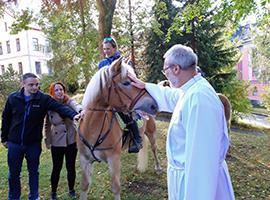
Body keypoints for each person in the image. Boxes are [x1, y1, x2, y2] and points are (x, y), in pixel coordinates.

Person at [129, 44, 235, 200]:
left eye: (165, 71)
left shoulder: (200, 99)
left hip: (197, 186)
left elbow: (202, 164)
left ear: (176, 69)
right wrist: (145, 87)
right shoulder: (191, 91)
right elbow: (172, 97)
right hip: (185, 178)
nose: (165, 75)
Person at [1, 73, 80, 200]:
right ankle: (14, 197)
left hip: (33, 144)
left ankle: (34, 196)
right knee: (14, 174)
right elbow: (6, 118)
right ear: (23, 84)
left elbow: (60, 107)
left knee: (33, 172)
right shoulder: (13, 98)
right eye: (31, 85)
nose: (35, 87)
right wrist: (4, 138)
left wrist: (73, 115)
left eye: (37, 84)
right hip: (14, 143)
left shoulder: (43, 99)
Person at [98, 36, 142, 153]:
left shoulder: (123, 61)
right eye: (104, 49)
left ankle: (137, 140)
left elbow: (130, 78)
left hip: (121, 93)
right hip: (107, 94)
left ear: (114, 48)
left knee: (124, 112)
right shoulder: (101, 64)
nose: (106, 51)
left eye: (108, 48)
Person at [44, 82, 82, 200]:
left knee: (71, 167)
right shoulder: (49, 106)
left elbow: (76, 105)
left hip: (71, 140)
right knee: (57, 167)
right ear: (52, 92)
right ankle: (53, 192)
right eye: (56, 90)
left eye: (61, 89)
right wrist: (47, 140)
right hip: (57, 142)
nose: (60, 92)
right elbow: (47, 125)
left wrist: (81, 109)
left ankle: (71, 190)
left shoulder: (69, 102)